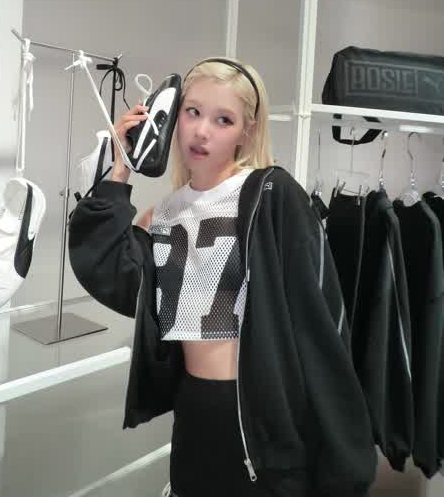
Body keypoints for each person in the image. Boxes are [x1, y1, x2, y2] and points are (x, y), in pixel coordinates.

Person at [68, 57, 377, 497]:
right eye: (192, 112)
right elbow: (109, 274)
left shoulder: (272, 196)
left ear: (246, 131)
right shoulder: (164, 213)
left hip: (266, 415)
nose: (201, 131)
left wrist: (343, 450)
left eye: (223, 119)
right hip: (195, 410)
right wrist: (119, 170)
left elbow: (320, 322)